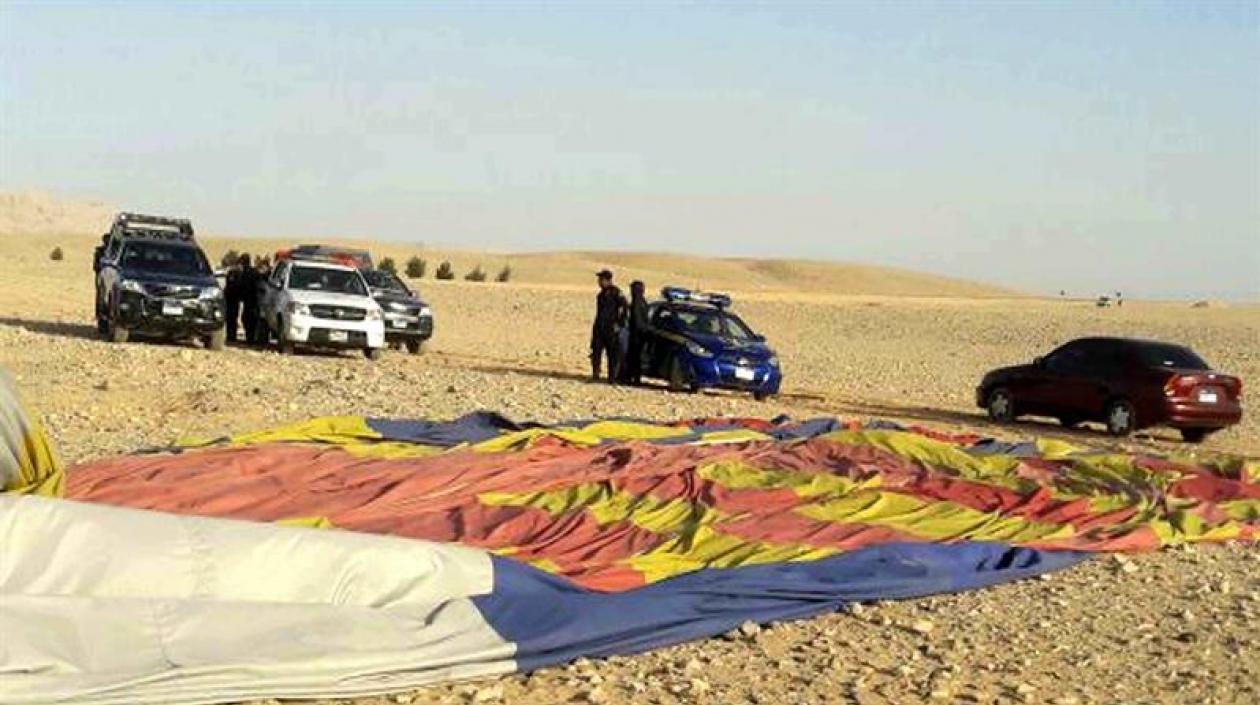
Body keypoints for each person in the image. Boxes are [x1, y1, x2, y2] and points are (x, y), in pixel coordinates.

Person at [590, 269, 627, 383]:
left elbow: (624, 308)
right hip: (599, 328)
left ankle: (612, 378)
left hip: (611, 329)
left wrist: (619, 324)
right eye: (599, 280)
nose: (599, 282)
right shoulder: (600, 295)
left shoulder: (616, 292)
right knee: (596, 352)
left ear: (608, 280)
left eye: (601, 280)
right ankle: (595, 375)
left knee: (612, 354)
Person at [621, 280, 654, 385]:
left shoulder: (637, 303)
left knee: (633, 357)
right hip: (640, 335)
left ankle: (632, 378)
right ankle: (634, 377)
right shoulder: (642, 302)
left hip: (636, 336)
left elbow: (637, 321)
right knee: (635, 358)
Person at [239, 255, 261, 344]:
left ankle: (251, 338)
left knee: (249, 319)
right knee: (247, 319)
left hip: (252, 299)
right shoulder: (247, 272)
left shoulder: (251, 272)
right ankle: (250, 338)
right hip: (248, 300)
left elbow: (257, 285)